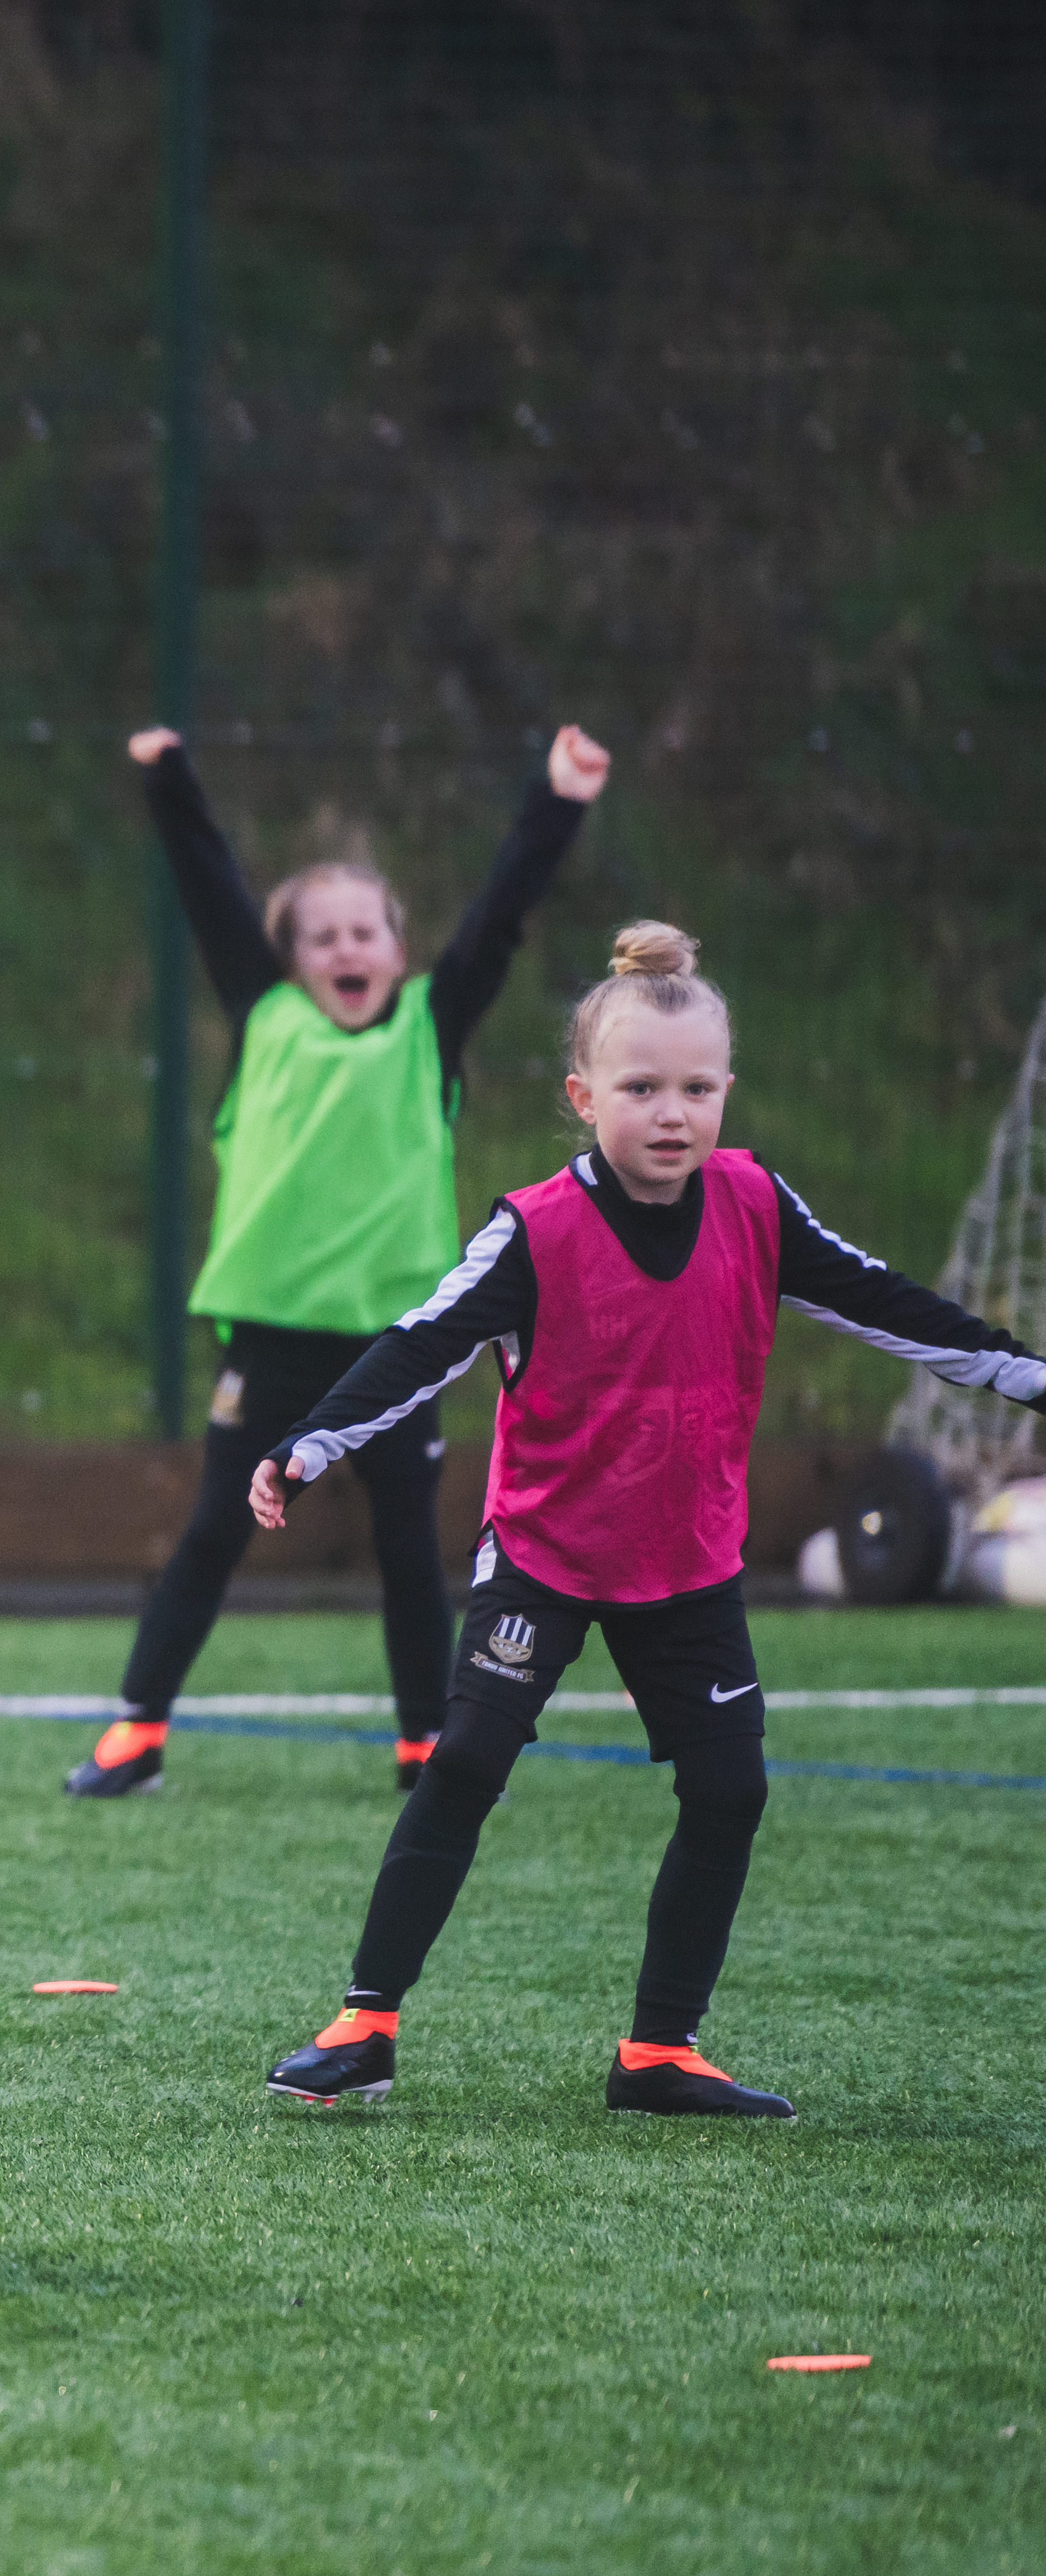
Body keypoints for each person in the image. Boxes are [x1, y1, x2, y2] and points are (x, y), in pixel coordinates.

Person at [250, 925, 1042, 2117]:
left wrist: (1024, 1374)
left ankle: (659, 2053)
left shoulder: (756, 1203)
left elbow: (887, 1304)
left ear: (727, 1090)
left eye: (696, 1088)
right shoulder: (533, 1230)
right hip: (546, 1554)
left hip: (687, 1561)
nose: (671, 1113)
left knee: (731, 1791)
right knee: (463, 1762)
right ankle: (364, 2024)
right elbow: (422, 1344)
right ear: (583, 1097)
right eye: (641, 1088)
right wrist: (309, 1444)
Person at [64, 722, 609, 1802]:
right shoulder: (264, 1017)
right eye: (323, 937)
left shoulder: (428, 1026)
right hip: (271, 1333)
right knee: (217, 1528)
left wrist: (559, 799)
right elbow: (211, 883)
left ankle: (425, 1743)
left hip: (399, 1339)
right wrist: (168, 776)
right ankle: (137, 1731)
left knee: (410, 1546)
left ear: (398, 954)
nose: (348, 950)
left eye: (367, 932)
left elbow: (499, 918)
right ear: (288, 958)